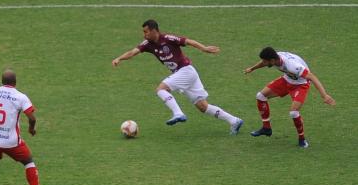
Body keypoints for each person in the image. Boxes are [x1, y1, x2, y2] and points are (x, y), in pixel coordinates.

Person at [112, 19, 243, 134]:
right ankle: (234, 121)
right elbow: (132, 52)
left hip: (186, 71)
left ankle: (178, 113)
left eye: (146, 32)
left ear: (154, 31)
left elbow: (188, 41)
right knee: (203, 107)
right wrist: (119, 58)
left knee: (161, 89)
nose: (144, 35)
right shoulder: (147, 44)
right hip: (184, 74)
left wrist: (204, 48)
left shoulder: (168, 38)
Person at [244, 47, 336, 148]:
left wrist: (324, 95)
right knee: (260, 96)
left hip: (301, 85)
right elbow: (263, 63)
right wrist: (252, 69)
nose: (264, 63)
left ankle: (302, 139)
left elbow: (312, 77)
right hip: (287, 80)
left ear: (272, 60)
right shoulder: (275, 58)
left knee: (293, 112)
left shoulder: (292, 66)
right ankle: (266, 128)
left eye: (266, 61)